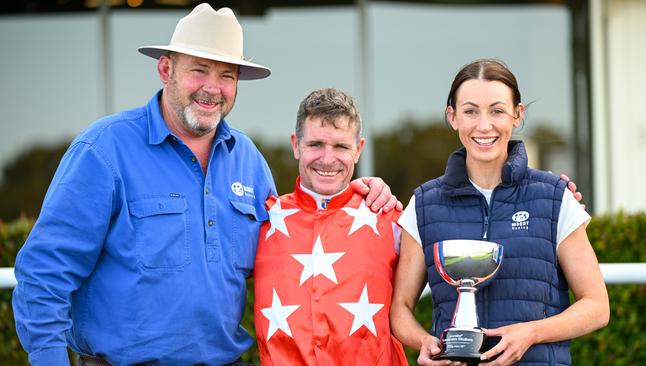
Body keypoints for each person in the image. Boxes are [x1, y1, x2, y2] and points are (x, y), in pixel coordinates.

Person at [12, 4, 398, 366]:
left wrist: (356, 193)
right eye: (199, 70)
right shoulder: (104, 151)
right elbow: (43, 275)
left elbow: (295, 239)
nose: (212, 88)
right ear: (166, 70)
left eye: (226, 75)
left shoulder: (248, 161)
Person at [390, 59, 609, 366]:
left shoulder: (555, 197)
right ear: (452, 117)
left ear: (517, 115)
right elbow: (400, 307)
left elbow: (597, 306)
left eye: (497, 110)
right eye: (470, 111)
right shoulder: (425, 204)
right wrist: (423, 342)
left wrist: (531, 333)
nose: (484, 125)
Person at [253, 88, 408, 365]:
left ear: (358, 149)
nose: (327, 159)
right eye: (315, 145)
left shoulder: (390, 219)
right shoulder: (262, 220)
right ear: (296, 145)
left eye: (340, 146)